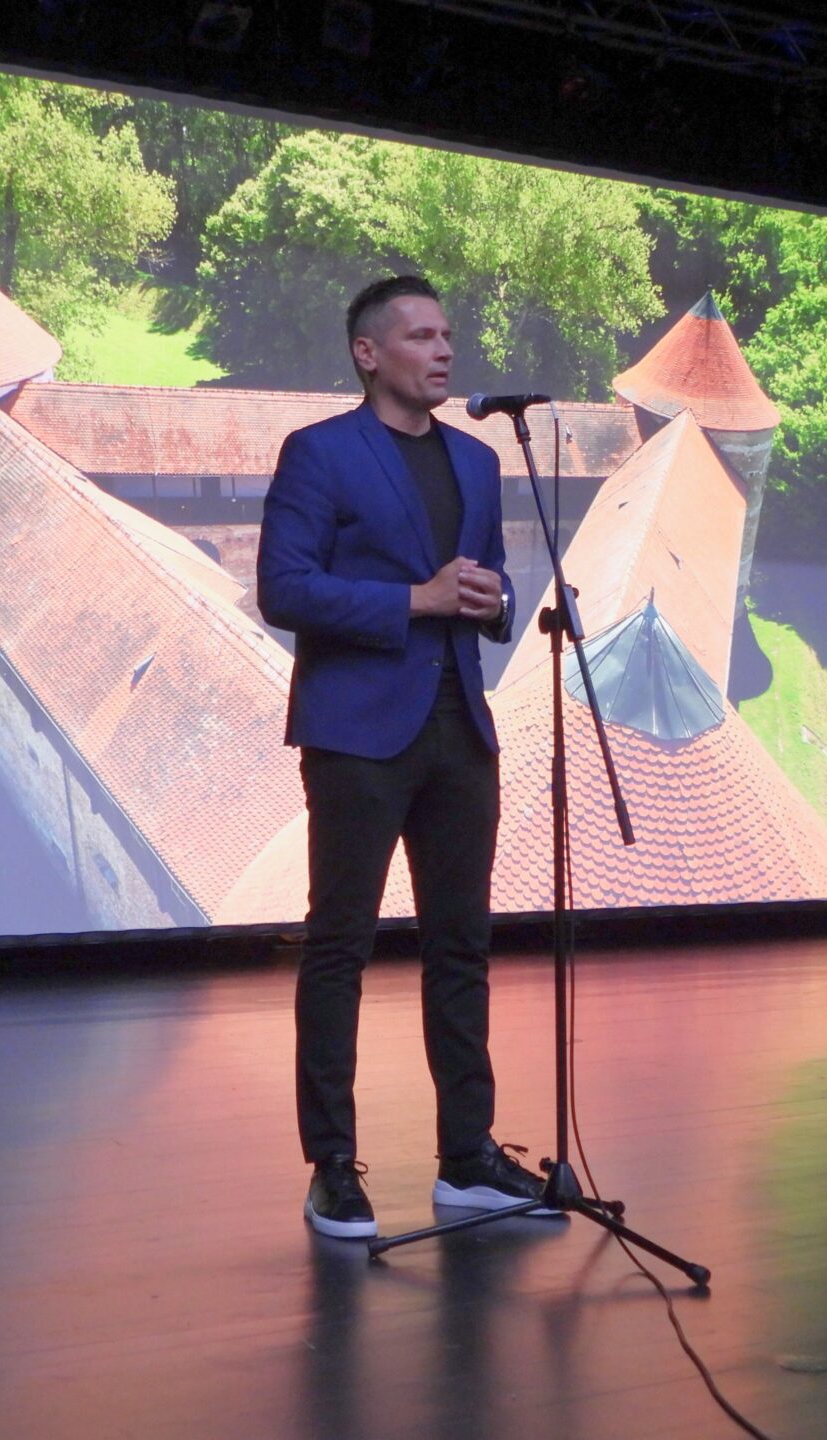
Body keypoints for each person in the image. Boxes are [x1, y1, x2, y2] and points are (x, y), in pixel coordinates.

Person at [257, 275, 555, 1239]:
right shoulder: (320, 452)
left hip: (460, 727)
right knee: (339, 946)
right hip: (357, 732)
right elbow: (282, 588)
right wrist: (412, 601)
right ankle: (333, 1167)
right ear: (368, 353)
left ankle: (467, 1156)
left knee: (462, 943)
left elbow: (490, 581)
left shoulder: (477, 459)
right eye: (421, 336)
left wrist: (496, 602)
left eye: (447, 334)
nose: (443, 350)